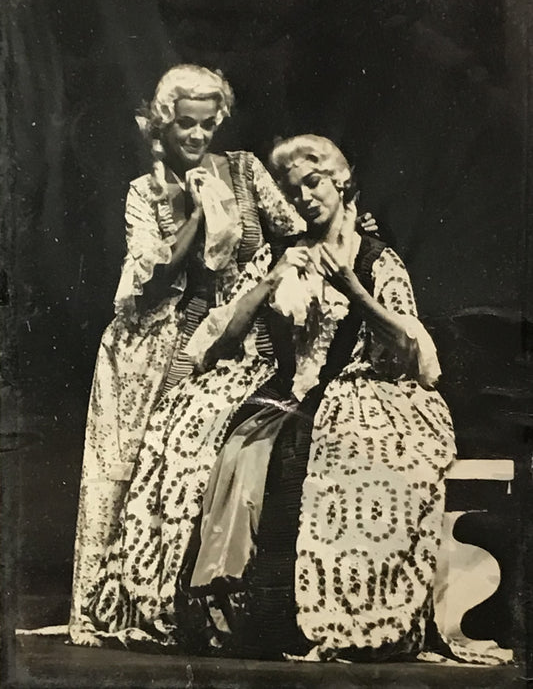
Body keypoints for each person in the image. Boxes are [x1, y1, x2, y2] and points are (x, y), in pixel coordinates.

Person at [82, 134, 454, 662]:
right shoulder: (281, 254)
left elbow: (414, 349)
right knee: (218, 444)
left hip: (354, 385)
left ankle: (315, 616)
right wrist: (270, 280)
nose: (304, 197)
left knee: (323, 453)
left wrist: (352, 287)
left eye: (314, 183)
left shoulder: (376, 258)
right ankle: (233, 613)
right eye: (292, 188)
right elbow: (223, 336)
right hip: (281, 386)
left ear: (342, 182)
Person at [69, 64, 312, 646]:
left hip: (223, 341)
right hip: (147, 346)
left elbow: (296, 229)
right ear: (163, 124)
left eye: (207, 124)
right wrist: (201, 213)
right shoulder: (146, 191)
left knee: (176, 468)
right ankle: (109, 607)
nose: (198, 137)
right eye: (185, 125)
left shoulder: (247, 171)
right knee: (122, 477)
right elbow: (149, 283)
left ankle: (178, 604)